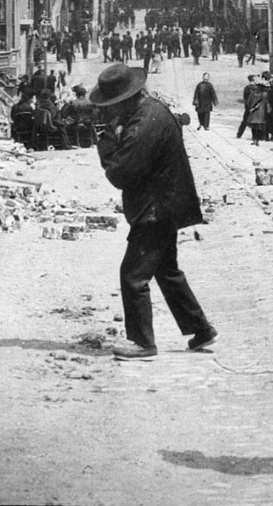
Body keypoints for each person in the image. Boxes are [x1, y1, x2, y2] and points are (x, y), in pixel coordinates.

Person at [90, 64, 217, 360]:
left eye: (111, 106)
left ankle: (143, 343)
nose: (109, 112)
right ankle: (201, 329)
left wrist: (107, 143)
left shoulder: (144, 121)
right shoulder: (150, 111)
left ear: (124, 99)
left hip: (155, 209)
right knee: (166, 270)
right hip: (166, 204)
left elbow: (121, 172)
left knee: (133, 275)